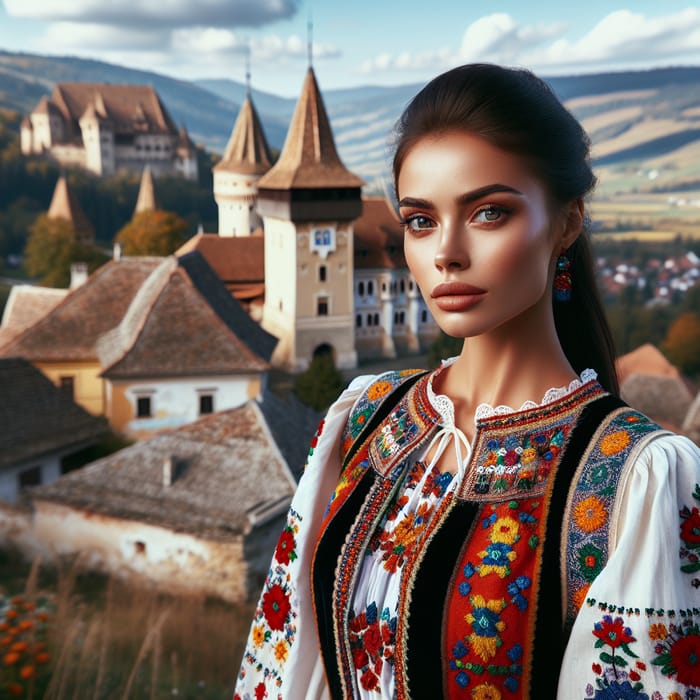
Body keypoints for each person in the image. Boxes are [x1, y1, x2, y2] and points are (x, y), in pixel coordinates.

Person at [233, 64, 700, 699]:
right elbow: (284, 665)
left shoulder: (636, 480)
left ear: (566, 223)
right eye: (420, 221)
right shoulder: (364, 418)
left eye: (488, 212)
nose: (447, 251)